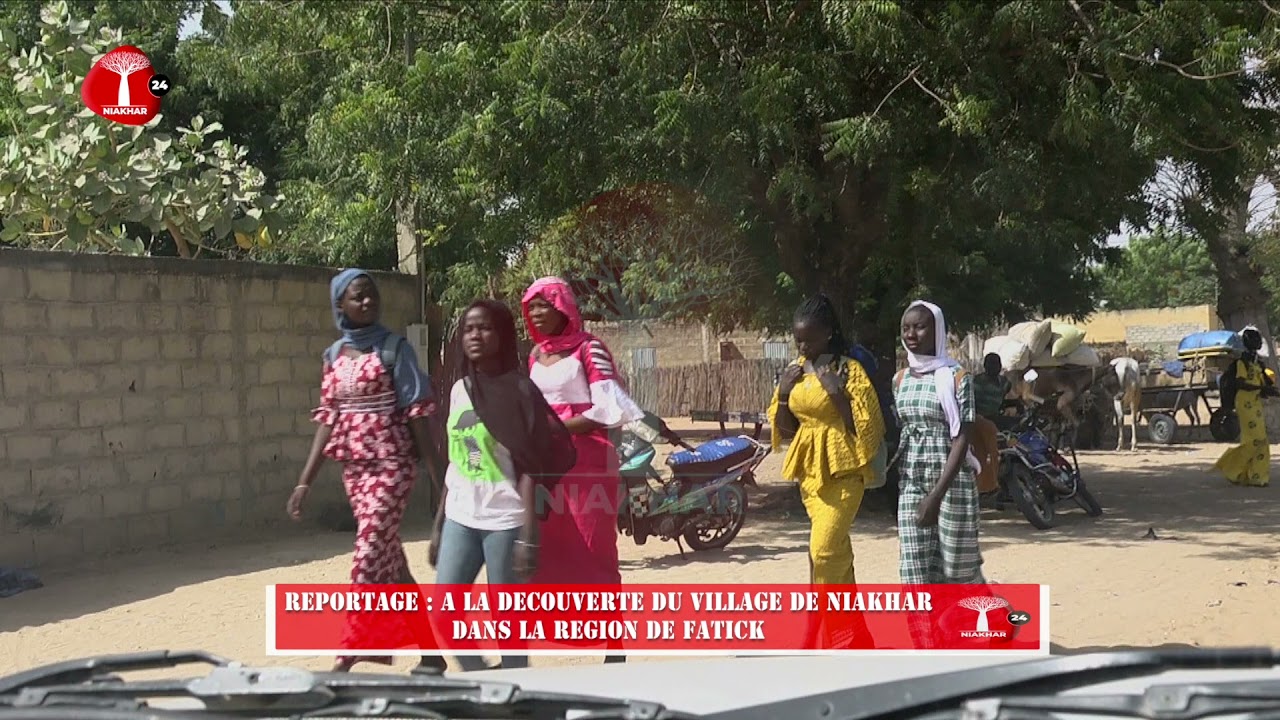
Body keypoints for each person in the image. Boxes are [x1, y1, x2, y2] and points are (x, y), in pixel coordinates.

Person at [290, 268, 447, 673]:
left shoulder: (395, 350)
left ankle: (350, 649)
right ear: (339, 304)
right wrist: (304, 481)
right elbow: (328, 418)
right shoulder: (333, 356)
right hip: (355, 471)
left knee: (366, 553)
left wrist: (438, 479)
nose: (368, 302)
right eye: (358, 297)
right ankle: (431, 655)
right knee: (392, 565)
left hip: (392, 467)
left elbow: (418, 417)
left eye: (372, 296)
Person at [428, 300, 576, 671]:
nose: (475, 336)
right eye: (468, 329)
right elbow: (455, 462)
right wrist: (438, 524)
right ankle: (483, 684)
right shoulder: (460, 389)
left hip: (506, 521)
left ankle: (514, 694)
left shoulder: (520, 392)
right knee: (445, 615)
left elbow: (530, 467)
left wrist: (528, 535)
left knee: (508, 627)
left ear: (502, 334)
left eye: (484, 328)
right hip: (461, 517)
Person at [520, 276, 644, 664]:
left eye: (544, 304)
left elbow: (609, 408)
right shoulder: (535, 356)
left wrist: (555, 428)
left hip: (588, 461)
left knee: (595, 549)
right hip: (548, 464)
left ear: (563, 306)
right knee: (553, 549)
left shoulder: (589, 349)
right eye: (532, 306)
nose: (537, 313)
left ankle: (614, 646)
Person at [767, 294, 886, 586]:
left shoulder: (850, 370)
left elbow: (867, 427)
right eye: (798, 341)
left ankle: (833, 626)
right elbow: (784, 432)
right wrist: (783, 394)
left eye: (810, 340)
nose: (804, 348)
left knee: (823, 551)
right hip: (810, 476)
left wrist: (836, 393)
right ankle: (851, 629)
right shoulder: (796, 373)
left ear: (829, 333)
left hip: (845, 473)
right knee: (834, 554)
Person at [893, 300, 986, 586]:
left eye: (920, 327)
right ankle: (924, 633)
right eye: (906, 328)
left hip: (952, 483)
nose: (911, 334)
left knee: (958, 571)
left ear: (938, 332)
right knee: (914, 572)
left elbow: (962, 437)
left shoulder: (957, 378)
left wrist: (936, 496)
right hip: (912, 482)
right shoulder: (899, 380)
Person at [1214, 326, 1275, 488]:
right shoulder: (1241, 362)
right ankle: (1231, 469)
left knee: (1262, 440)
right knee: (1253, 440)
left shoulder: (1257, 363)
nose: (1256, 343)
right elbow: (1240, 383)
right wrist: (1261, 389)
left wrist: (1268, 389)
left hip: (1255, 403)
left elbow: (1264, 383)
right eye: (1253, 340)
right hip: (1244, 403)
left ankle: (1258, 477)